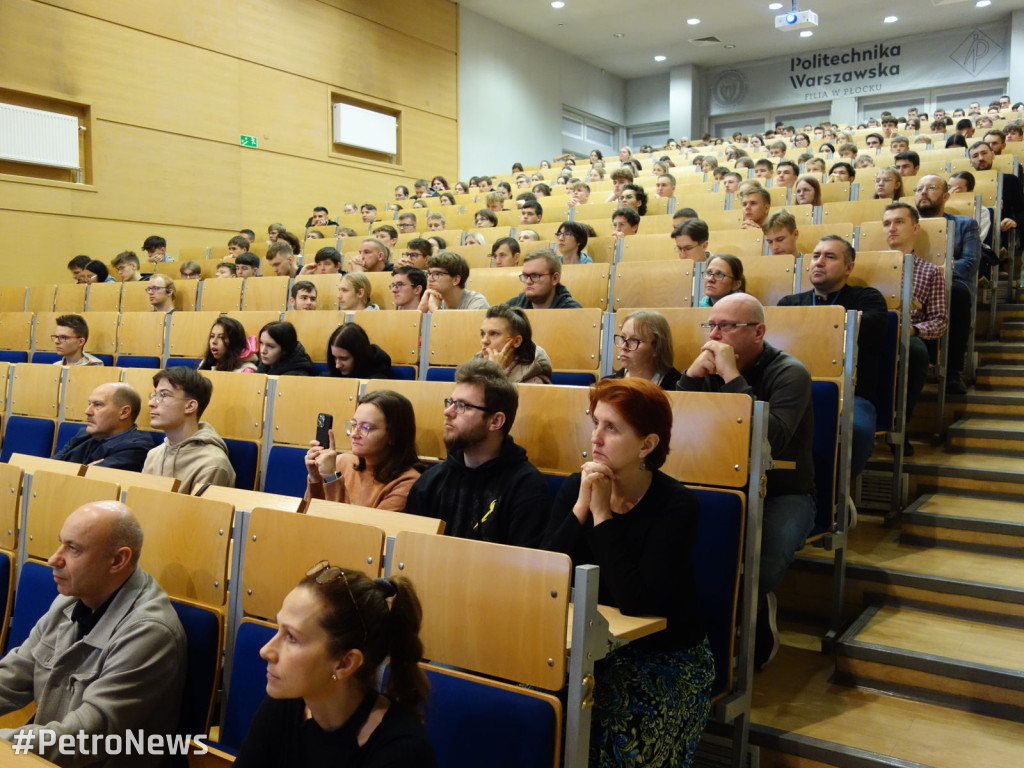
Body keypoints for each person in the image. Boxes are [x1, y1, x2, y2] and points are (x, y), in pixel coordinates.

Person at [544, 378, 714, 768]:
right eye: (595, 423)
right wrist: (582, 506)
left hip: (662, 655)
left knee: (612, 747)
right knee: (527, 715)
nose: (596, 438)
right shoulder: (577, 485)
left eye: (612, 428)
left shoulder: (677, 506)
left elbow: (636, 601)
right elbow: (548, 578)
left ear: (647, 445)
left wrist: (602, 516)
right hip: (585, 648)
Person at [677, 294, 815, 669]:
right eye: (711, 326)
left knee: (759, 568)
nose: (715, 335)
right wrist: (690, 377)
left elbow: (770, 440)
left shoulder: (790, 373)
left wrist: (731, 377)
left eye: (726, 326)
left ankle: (756, 623)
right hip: (716, 486)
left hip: (783, 492)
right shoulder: (705, 368)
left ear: (758, 332)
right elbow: (673, 425)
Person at [0, 501, 186, 766]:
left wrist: (6, 743)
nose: (54, 558)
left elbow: (84, 737)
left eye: (73, 549)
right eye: (61, 543)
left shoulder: (150, 633)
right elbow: (13, 675)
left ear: (118, 560)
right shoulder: (72, 598)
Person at [234, 561, 434, 768]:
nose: (265, 651)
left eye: (292, 637)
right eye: (278, 629)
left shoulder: (401, 752)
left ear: (345, 663)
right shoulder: (282, 707)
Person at [404, 359, 550, 547]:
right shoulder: (431, 482)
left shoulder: (527, 488)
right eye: (450, 402)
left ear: (496, 421)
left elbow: (522, 570)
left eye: (462, 406)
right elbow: (410, 553)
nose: (447, 412)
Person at [779, 236, 887, 480]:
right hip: (794, 393)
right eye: (816, 256)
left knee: (855, 432)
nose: (819, 262)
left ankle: (833, 496)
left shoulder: (867, 298)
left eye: (830, 257)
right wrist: (846, 323)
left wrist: (811, 328)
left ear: (849, 267)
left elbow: (874, 328)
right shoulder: (790, 303)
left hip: (851, 395)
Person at [881, 203, 947, 454]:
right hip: (872, 332)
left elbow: (940, 320)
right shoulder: (869, 264)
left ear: (915, 227)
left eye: (899, 222)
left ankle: (900, 426)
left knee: (917, 351)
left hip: (906, 335)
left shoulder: (931, 271)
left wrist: (913, 330)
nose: (892, 228)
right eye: (887, 223)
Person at [304, 390, 423, 509]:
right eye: (354, 425)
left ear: (393, 435)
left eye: (366, 427)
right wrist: (316, 478)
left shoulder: (407, 483)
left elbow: (355, 527)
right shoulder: (341, 462)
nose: (354, 434)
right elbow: (307, 516)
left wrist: (331, 477)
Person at [143, 366, 236, 493]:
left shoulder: (212, 464)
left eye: (164, 395)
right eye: (154, 395)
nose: (152, 403)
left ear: (190, 406)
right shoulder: (153, 455)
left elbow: (198, 513)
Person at [52, 383, 153, 471]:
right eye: (89, 404)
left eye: (98, 405)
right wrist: (84, 469)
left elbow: (88, 482)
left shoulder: (136, 448)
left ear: (124, 412)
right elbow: (49, 466)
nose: (87, 411)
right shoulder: (84, 434)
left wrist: (81, 471)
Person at [473, 304, 552, 384]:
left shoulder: (533, 379)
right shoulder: (476, 364)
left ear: (517, 341)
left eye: (494, 333)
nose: (484, 341)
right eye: (483, 334)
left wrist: (496, 372)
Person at [605, 310, 681, 390]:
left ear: (657, 347)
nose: (624, 346)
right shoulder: (606, 385)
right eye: (623, 338)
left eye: (634, 340)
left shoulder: (677, 389)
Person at [504, 250, 582, 309]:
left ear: (555, 278)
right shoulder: (511, 308)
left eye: (535, 275)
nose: (528, 281)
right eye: (525, 275)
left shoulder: (573, 311)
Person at [418, 252, 489, 311]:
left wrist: (435, 310)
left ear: (456, 280)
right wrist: (421, 310)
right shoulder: (433, 300)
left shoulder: (477, 303)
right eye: (429, 274)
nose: (429, 279)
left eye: (437, 274)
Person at [326, 324, 393, 379]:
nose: (337, 365)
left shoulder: (377, 382)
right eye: (334, 357)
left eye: (344, 359)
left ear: (359, 355)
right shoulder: (328, 378)